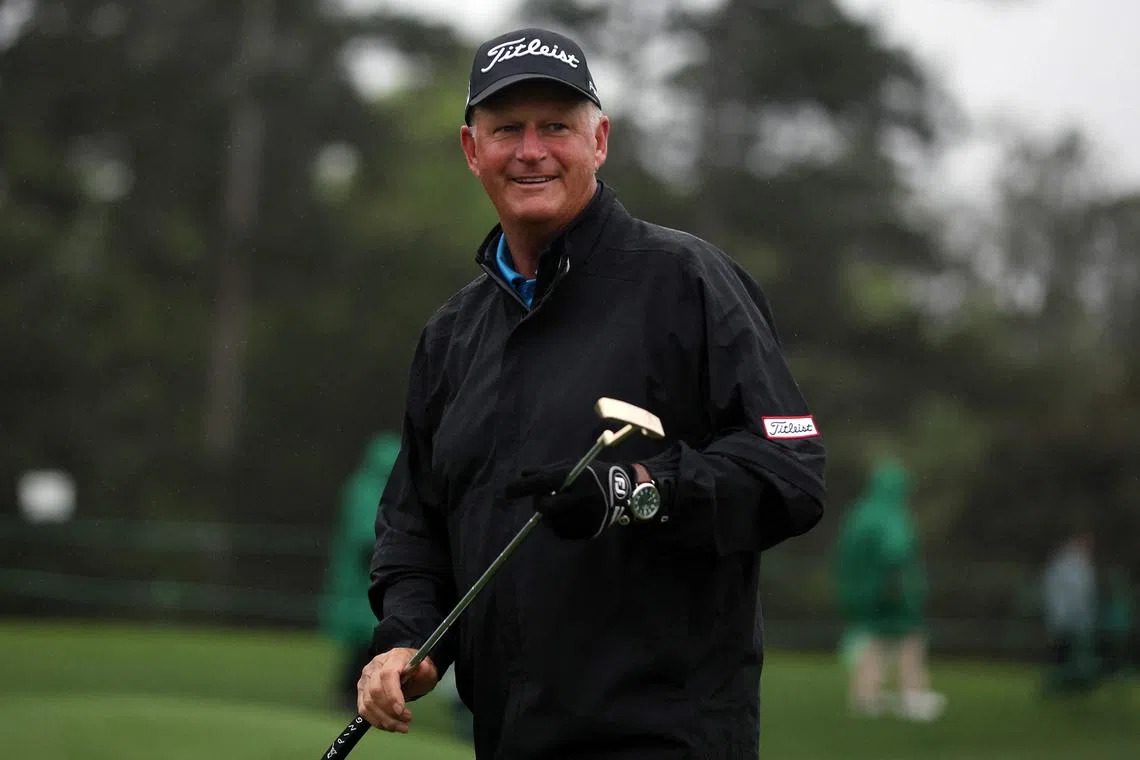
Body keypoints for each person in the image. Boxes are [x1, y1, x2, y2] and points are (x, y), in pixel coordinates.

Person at [356, 27, 826, 759]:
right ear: (471, 149)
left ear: (599, 139)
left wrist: (635, 491)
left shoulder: (687, 282)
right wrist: (407, 639)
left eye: (556, 127)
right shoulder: (452, 334)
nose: (532, 150)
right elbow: (414, 526)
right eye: (507, 128)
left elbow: (789, 473)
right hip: (507, 737)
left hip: (665, 736)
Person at [832, 457, 944, 721]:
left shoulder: (858, 513)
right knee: (910, 643)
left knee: (870, 645)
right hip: (892, 597)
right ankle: (912, 697)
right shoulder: (892, 517)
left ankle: (865, 698)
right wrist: (905, 591)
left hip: (861, 596)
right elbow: (895, 552)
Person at [319, 432, 401, 712]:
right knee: (366, 644)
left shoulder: (362, 485)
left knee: (365, 645)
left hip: (360, 582)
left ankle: (353, 695)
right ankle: (354, 697)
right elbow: (368, 538)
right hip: (366, 583)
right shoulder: (374, 489)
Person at [1041, 531, 1098, 693]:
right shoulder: (1066, 564)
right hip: (1066, 617)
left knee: (1072, 653)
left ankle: (1070, 684)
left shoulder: (1080, 564)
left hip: (1074, 618)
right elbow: (1072, 592)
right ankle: (1058, 685)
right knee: (1062, 652)